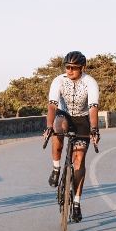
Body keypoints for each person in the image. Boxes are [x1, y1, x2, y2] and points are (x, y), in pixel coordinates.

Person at [44, 51, 100, 222]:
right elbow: (52, 106)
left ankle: (76, 203)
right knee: (58, 127)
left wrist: (94, 129)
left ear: (82, 68)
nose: (69, 71)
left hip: (83, 118)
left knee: (79, 158)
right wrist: (48, 127)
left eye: (74, 68)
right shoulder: (58, 81)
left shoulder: (90, 82)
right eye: (67, 67)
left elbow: (93, 108)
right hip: (65, 115)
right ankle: (56, 168)